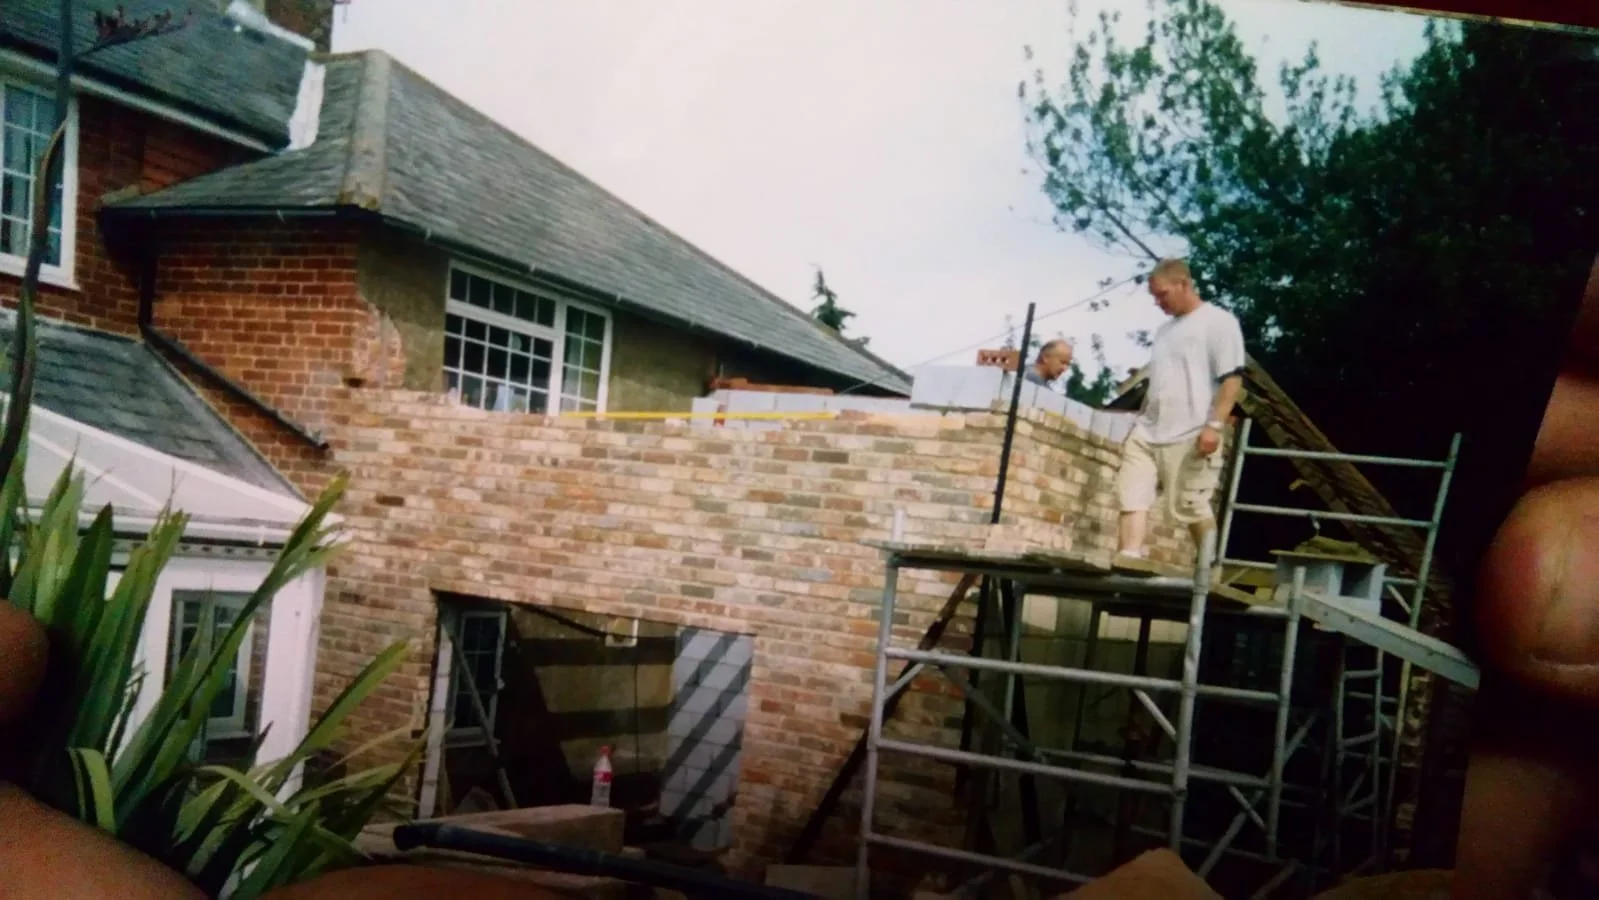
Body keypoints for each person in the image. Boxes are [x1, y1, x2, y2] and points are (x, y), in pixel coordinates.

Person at [0, 266, 1595, 900]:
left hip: (1151, 493)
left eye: (1164, 283)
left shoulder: (1213, 336)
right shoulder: (1135, 347)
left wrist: (1170, 479)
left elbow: (1216, 412)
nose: (1161, 295)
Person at [1115, 258, 1247, 562]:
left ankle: (1208, 572)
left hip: (1191, 431)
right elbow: (1160, 381)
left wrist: (1214, 426)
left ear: (1183, 284)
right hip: (1148, 431)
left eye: (1162, 295)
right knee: (1131, 495)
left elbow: (1232, 379)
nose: (1158, 302)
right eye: (1154, 297)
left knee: (1190, 506)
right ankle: (1128, 559)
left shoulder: (1219, 322)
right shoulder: (1163, 331)